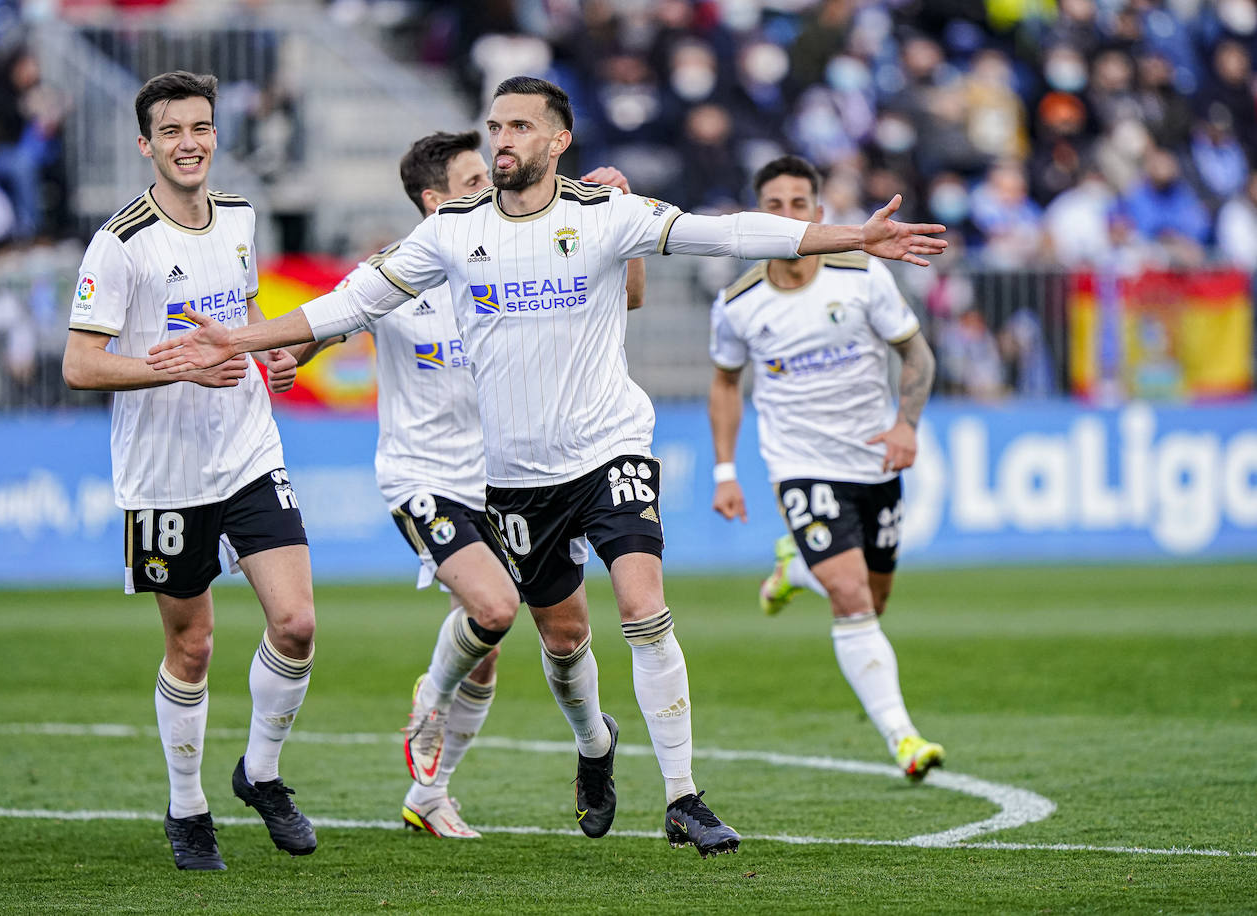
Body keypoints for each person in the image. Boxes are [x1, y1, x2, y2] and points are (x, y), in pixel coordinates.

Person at [147, 76, 947, 857]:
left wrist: (853, 237)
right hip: (519, 476)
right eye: (495, 127)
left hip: (610, 447)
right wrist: (239, 340)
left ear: (558, 142)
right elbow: (350, 304)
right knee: (563, 639)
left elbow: (728, 231)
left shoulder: (604, 214)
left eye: (519, 127)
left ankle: (682, 797)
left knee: (642, 607)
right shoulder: (453, 230)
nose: (502, 140)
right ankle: (595, 744)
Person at [280, 130, 646, 839]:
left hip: (506, 476)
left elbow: (624, 300)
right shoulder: (399, 270)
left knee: (541, 635)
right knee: (493, 605)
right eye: (476, 179)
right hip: (424, 477)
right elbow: (330, 319)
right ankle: (432, 694)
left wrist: (618, 224)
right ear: (433, 199)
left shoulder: (516, 255)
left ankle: (432, 793)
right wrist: (289, 356)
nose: (493, 185)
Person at [61, 71, 318, 871]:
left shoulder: (240, 216)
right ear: (147, 144)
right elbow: (78, 364)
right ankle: (187, 807)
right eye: (172, 131)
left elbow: (236, 314)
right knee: (194, 646)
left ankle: (261, 774)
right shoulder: (121, 241)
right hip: (164, 470)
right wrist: (180, 370)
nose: (190, 143)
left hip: (247, 449)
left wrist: (263, 348)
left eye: (200, 127)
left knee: (297, 624)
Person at [707, 155, 945, 782]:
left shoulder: (863, 275)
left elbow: (915, 352)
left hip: (872, 458)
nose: (787, 216)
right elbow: (726, 384)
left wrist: (906, 425)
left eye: (798, 204)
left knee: (874, 599)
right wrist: (724, 471)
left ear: (818, 212)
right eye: (774, 206)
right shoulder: (738, 303)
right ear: (758, 216)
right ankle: (904, 738)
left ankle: (796, 568)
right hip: (801, 464)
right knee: (850, 596)